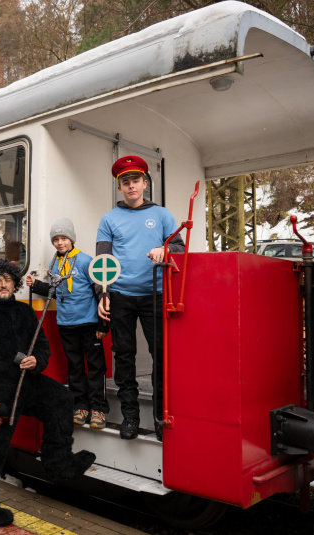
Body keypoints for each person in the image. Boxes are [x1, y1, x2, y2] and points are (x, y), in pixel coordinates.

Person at [0, 260, 95, 527]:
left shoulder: (24, 312)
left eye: (8, 280)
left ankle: (60, 464)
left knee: (61, 399)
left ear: (15, 283)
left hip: (25, 383)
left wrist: (36, 361)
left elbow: (42, 345)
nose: (4, 284)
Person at [96, 155, 184, 441]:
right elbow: (102, 261)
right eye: (125, 182)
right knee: (123, 357)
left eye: (135, 180)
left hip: (156, 296)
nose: (131, 186)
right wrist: (103, 293)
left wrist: (165, 250)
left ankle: (160, 418)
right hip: (120, 295)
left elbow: (181, 250)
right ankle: (130, 417)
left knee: (162, 357)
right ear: (119, 187)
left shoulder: (162, 215)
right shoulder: (109, 219)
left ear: (145, 183)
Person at [26, 218, 109, 429]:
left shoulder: (85, 260)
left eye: (63, 238)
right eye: (56, 239)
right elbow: (56, 292)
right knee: (75, 366)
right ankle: (80, 406)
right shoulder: (54, 263)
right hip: (66, 323)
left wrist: (103, 325)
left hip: (89, 323)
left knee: (95, 366)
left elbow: (100, 292)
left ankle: (98, 409)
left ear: (71, 239)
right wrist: (36, 285)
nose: (60, 242)